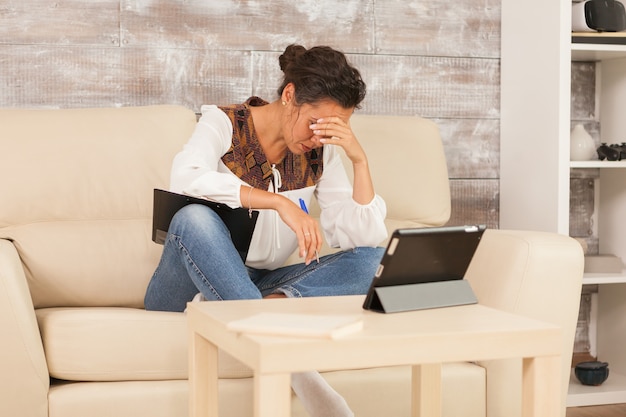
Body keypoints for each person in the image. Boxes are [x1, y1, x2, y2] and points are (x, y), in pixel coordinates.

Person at [145, 44, 387, 417]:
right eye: (315, 123)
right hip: (182, 287)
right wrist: (278, 201)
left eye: (332, 129)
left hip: (258, 283)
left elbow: (362, 240)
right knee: (192, 219)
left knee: (374, 261)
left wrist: (360, 160)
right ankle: (300, 373)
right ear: (290, 95)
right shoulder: (223, 123)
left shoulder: (320, 151)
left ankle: (231, 304)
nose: (317, 137)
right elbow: (185, 177)